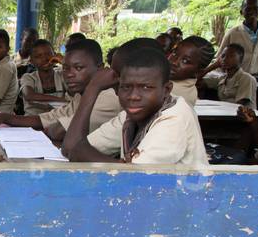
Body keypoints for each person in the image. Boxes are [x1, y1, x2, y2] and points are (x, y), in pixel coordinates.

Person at [61, 47, 208, 166]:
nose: (133, 96)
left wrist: (121, 165)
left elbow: (133, 176)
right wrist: (93, 88)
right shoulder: (132, 113)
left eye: (146, 87)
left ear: (166, 90)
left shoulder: (175, 117)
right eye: (125, 87)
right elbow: (71, 148)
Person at [0, 39, 119, 141]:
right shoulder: (80, 96)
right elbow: (47, 118)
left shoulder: (108, 98)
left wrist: (50, 127)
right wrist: (3, 117)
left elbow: (59, 131)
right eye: (65, 68)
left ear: (100, 68)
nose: (69, 74)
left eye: (78, 68)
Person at [219, 0, 258, 75]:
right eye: (248, 9)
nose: (252, 12)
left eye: (255, 8)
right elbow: (220, 59)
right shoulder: (232, 33)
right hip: (237, 81)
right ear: (241, 12)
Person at [19, 38, 66, 115]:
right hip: (31, 122)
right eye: (38, 56)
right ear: (32, 61)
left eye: (48, 54)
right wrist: (62, 101)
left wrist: (64, 62)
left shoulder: (62, 75)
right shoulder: (28, 77)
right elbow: (29, 95)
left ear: (55, 55)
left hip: (58, 121)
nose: (45, 59)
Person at [168, 36, 214, 106]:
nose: (174, 62)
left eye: (185, 61)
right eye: (174, 53)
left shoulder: (174, 94)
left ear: (198, 71)